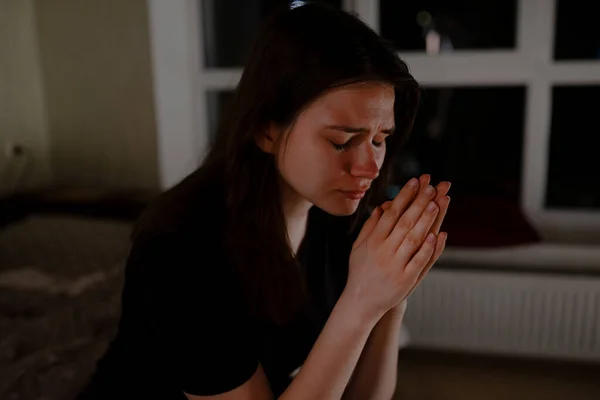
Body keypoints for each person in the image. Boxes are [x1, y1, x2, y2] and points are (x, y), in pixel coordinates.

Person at [78, 2, 450, 399]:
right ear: (266, 131)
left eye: (380, 139)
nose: (370, 166)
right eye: (341, 141)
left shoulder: (338, 214)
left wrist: (390, 299)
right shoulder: (181, 251)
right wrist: (360, 301)